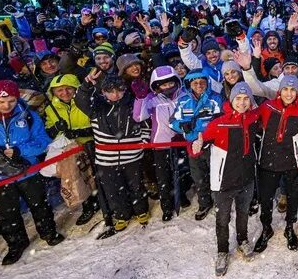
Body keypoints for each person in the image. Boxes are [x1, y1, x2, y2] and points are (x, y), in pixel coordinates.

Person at [0, 80, 63, 265]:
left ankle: (48, 232)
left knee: (39, 204)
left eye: (11, 101)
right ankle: (16, 244)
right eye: (1, 102)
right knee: (7, 214)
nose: (6, 106)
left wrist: (19, 150)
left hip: (27, 171)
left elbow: (43, 141)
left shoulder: (28, 115)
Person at [192, 83, 261, 276]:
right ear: (231, 100)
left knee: (243, 212)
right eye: (238, 98)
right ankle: (222, 250)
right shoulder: (219, 123)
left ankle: (243, 240)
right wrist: (196, 146)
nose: (242, 102)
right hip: (223, 181)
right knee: (222, 218)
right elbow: (201, 142)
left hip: (246, 178)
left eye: (246, 98)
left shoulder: (253, 118)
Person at [76, 74, 150, 235]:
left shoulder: (133, 104)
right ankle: (121, 215)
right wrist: (86, 84)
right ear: (103, 91)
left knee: (136, 185)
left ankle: (141, 210)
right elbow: (80, 100)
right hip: (106, 159)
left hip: (132, 156)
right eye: (111, 91)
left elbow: (145, 123)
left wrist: (143, 141)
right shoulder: (96, 106)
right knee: (113, 189)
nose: (116, 94)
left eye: (119, 90)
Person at [253, 75, 298, 254]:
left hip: (291, 164)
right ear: (280, 91)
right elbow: (250, 122)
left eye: (292, 90)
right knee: (266, 200)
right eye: (285, 89)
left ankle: (289, 227)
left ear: (297, 92)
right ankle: (266, 228)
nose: (289, 93)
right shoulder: (267, 107)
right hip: (267, 163)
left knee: (293, 197)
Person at [133, 65, 190, 222]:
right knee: (163, 176)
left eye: (170, 83)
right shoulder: (152, 99)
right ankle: (167, 206)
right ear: (157, 86)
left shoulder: (185, 95)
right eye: (163, 85)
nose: (168, 87)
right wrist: (140, 98)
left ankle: (181, 194)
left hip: (182, 141)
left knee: (183, 171)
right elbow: (138, 117)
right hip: (160, 143)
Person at [43, 74, 99, 226]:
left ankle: (101, 199)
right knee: (78, 177)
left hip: (91, 145)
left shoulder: (85, 102)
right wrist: (56, 128)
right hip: (70, 151)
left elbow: (98, 123)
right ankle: (88, 204)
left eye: (68, 88)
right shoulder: (50, 109)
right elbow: (48, 131)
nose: (64, 93)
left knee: (95, 174)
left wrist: (79, 132)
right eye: (59, 90)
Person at [172, 71, 224, 221]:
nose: (199, 86)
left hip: (212, 144)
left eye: (202, 82)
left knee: (217, 174)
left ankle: (221, 201)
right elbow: (172, 121)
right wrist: (182, 126)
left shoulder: (215, 98)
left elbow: (219, 120)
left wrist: (205, 132)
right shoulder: (183, 101)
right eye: (195, 83)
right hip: (193, 145)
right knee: (198, 176)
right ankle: (204, 202)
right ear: (189, 85)